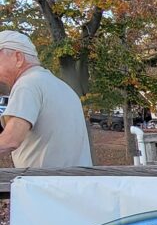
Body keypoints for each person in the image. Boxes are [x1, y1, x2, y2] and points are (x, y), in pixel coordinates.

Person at [0, 31, 92, 167]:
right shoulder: (62, 87)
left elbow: (11, 139)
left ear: (18, 58)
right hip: (75, 184)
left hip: (44, 185)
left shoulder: (27, 84)